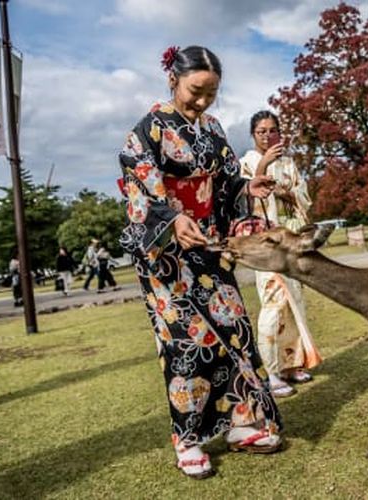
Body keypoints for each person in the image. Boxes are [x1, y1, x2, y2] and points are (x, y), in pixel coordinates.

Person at [118, 45, 281, 479]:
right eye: (196, 91)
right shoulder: (147, 130)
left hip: (207, 242)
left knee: (234, 326)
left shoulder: (211, 127)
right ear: (173, 79)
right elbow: (140, 185)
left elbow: (227, 182)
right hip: (166, 254)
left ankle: (241, 421)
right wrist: (172, 217)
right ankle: (187, 440)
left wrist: (249, 188)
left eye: (212, 93)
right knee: (185, 342)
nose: (203, 101)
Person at [239, 110, 321, 398]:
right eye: (261, 131)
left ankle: (291, 363)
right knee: (273, 301)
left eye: (272, 130)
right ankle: (270, 372)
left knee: (294, 300)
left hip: (292, 237)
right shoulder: (248, 161)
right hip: (268, 242)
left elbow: (303, 195)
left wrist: (289, 194)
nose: (267, 135)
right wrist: (264, 165)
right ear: (253, 134)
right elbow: (246, 195)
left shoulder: (289, 163)